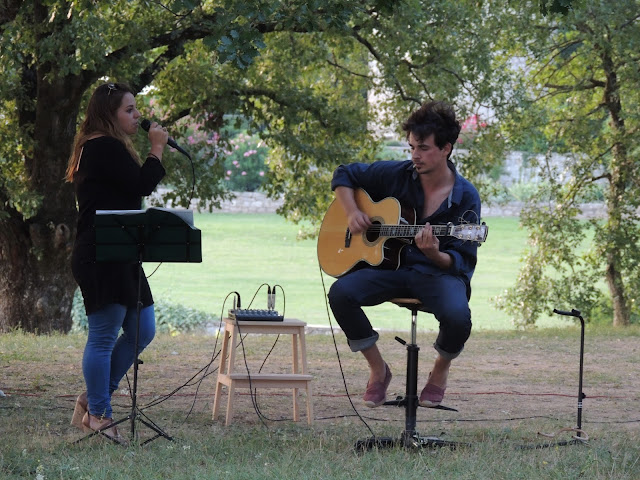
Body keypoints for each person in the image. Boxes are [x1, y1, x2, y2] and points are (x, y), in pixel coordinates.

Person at [327, 100, 481, 408]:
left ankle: (440, 369)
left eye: (423, 148)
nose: (415, 155)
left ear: (446, 148)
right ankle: (378, 369)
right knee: (340, 294)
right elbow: (344, 174)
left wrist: (435, 254)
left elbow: (460, 261)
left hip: (436, 273)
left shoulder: (466, 197)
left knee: (458, 317)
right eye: (411, 147)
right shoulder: (396, 174)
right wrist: (353, 212)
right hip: (390, 269)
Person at [65, 82, 169, 443]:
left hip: (121, 250)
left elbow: (131, 188)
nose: (137, 115)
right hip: (101, 254)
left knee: (142, 328)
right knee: (104, 336)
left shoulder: (104, 147)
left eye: (136, 108)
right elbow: (142, 184)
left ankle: (94, 398)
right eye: (129, 109)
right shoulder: (102, 147)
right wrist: (157, 148)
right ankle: (99, 414)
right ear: (109, 114)